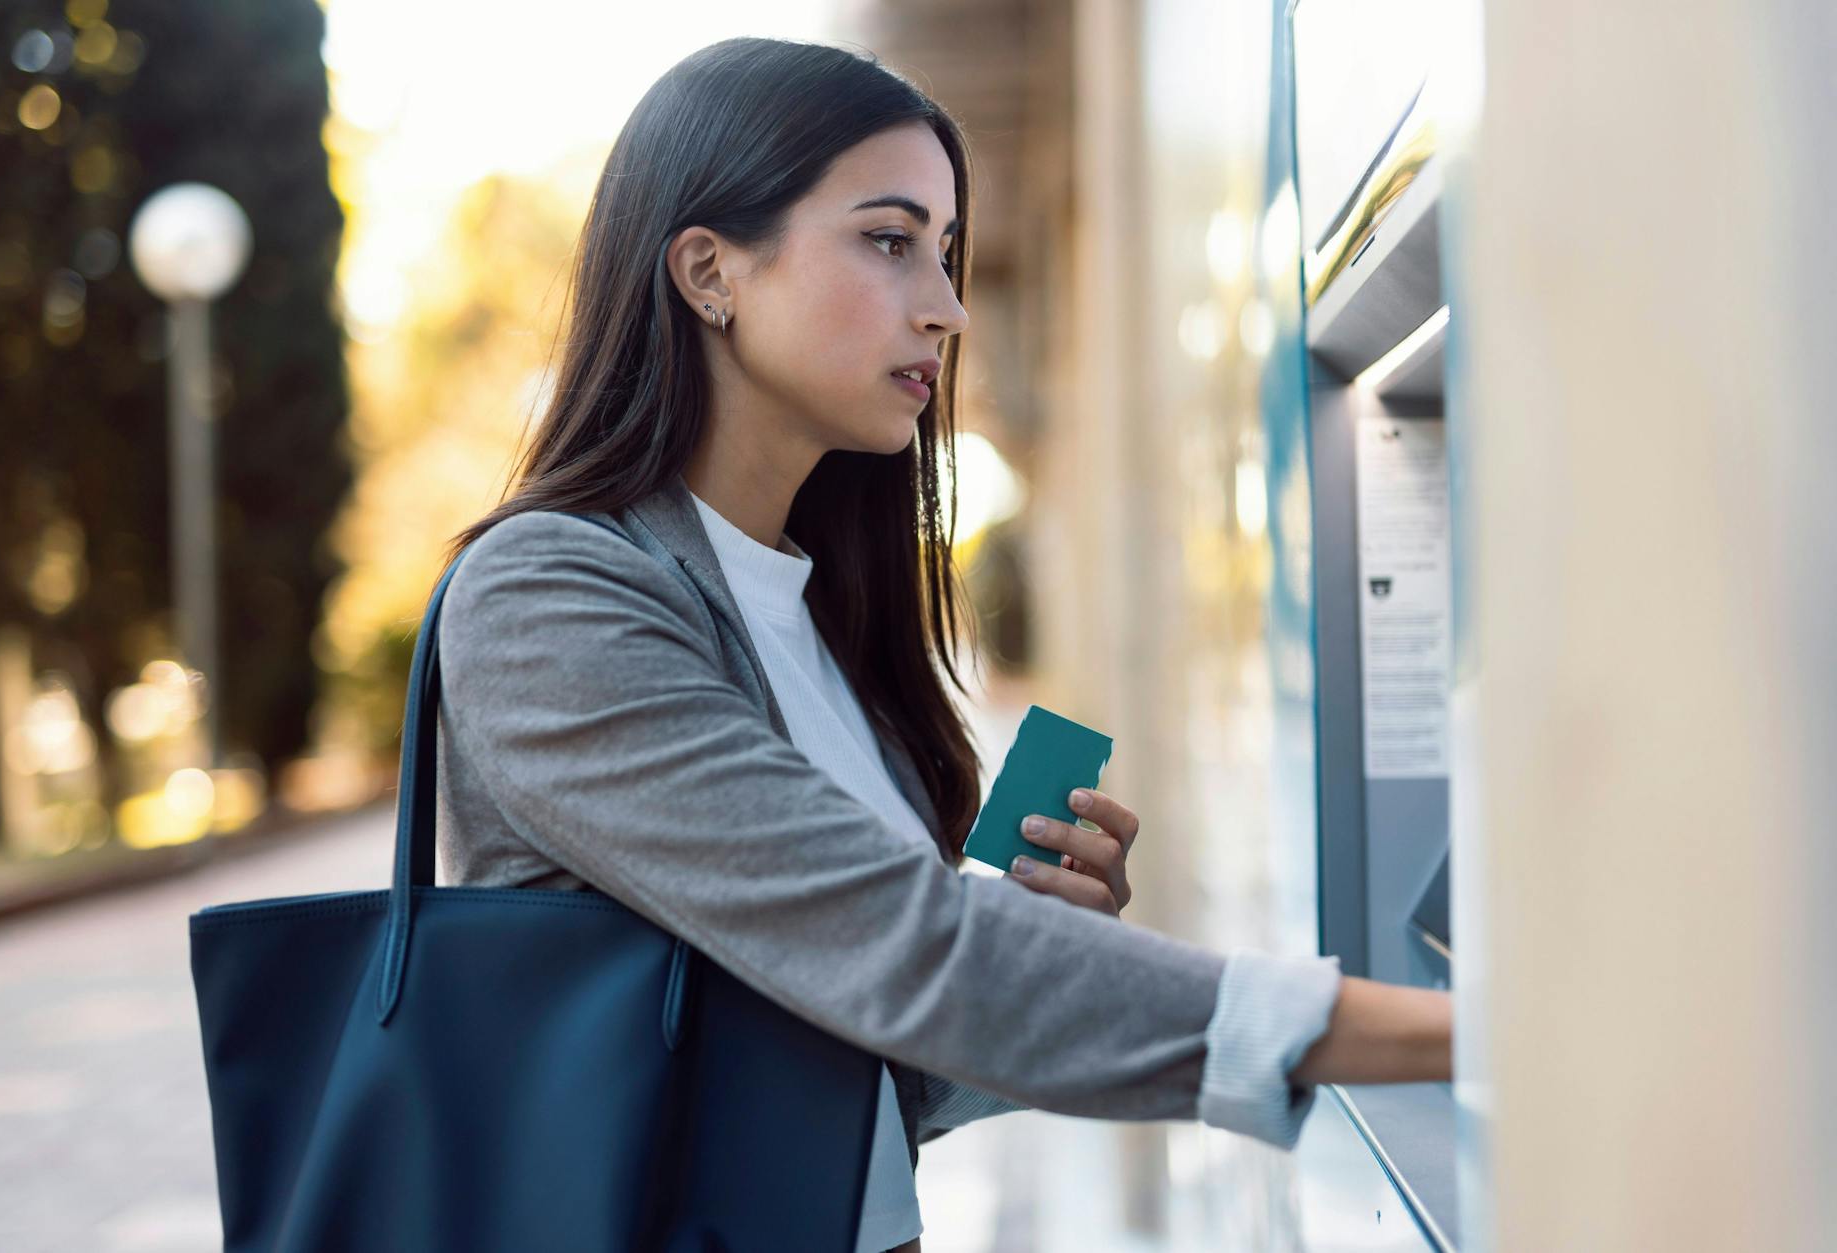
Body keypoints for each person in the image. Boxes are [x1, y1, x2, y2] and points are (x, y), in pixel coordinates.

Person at [432, 35, 1452, 1253]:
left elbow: (885, 1048)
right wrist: (1459, 1033)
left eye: (949, 251)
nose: (948, 305)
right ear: (710, 270)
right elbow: (911, 951)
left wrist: (1037, 938)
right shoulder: (545, 591)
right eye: (887, 238)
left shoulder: (814, 616)